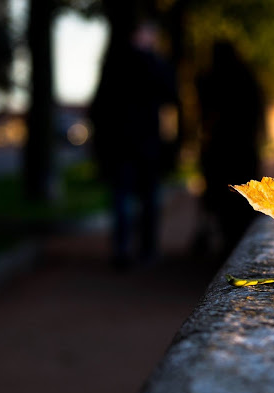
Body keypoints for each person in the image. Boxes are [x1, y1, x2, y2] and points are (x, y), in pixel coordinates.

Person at [89, 19, 179, 271]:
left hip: (120, 144)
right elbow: (171, 94)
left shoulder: (114, 62)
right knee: (148, 198)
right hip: (146, 143)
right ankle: (147, 249)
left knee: (122, 197)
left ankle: (122, 248)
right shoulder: (155, 63)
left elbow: (99, 104)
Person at [196, 40, 266, 260]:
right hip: (244, 152)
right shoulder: (249, 80)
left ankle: (225, 247)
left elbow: (205, 117)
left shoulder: (210, 80)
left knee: (222, 201)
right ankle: (237, 249)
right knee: (242, 203)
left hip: (220, 152)